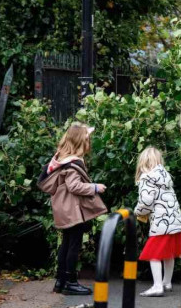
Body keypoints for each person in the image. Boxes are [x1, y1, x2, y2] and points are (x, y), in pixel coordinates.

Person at [38, 123, 107, 296]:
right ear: (80, 142)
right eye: (87, 139)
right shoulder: (73, 163)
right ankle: (71, 282)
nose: (89, 142)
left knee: (66, 244)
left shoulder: (61, 158)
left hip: (63, 208)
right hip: (72, 209)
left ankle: (61, 281)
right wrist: (95, 187)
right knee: (73, 246)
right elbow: (74, 186)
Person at [134, 147, 181, 297]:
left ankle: (157, 286)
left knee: (153, 254)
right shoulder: (165, 176)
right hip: (174, 222)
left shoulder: (147, 178)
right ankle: (166, 282)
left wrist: (137, 212)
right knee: (168, 254)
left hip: (161, 224)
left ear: (143, 162)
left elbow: (146, 202)